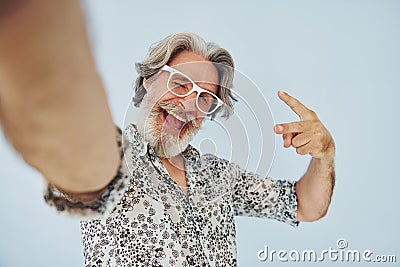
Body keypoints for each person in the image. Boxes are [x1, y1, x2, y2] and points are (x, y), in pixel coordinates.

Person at [0, 1, 335, 266]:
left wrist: (325, 155)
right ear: (148, 80)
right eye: (180, 84)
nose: (189, 104)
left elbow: (304, 205)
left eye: (205, 98)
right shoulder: (113, 158)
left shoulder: (218, 174)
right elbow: (76, 154)